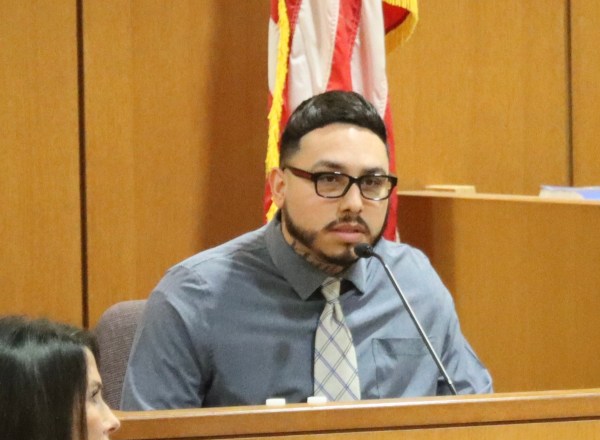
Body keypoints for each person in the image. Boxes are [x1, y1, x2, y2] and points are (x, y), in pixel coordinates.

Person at [122, 90, 491, 410]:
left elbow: (476, 420)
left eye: (373, 182)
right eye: (329, 179)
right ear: (279, 186)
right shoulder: (194, 298)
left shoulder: (413, 283)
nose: (354, 204)